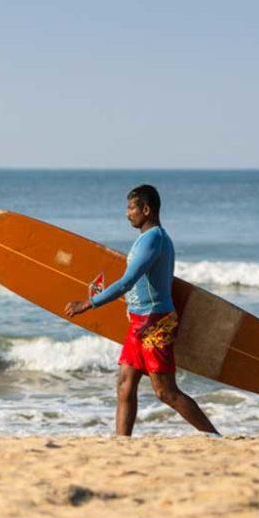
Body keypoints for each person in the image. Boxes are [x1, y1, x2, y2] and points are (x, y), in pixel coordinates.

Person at [65, 185, 219, 437]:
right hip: (140, 321)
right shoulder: (147, 238)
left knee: (165, 392)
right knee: (125, 384)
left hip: (155, 322)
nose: (127, 214)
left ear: (146, 209)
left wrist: (89, 303)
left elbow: (128, 280)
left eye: (131, 208)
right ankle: (121, 442)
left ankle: (214, 437)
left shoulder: (154, 239)